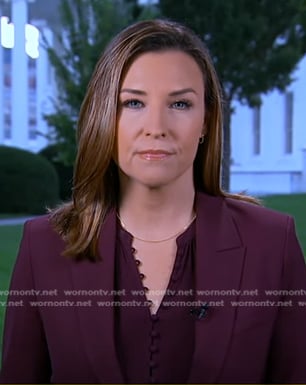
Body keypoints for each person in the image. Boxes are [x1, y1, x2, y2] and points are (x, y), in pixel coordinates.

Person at [0, 18, 306, 384]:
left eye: (179, 103)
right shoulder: (44, 245)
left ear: (206, 120)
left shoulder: (271, 243)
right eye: (133, 103)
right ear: (105, 117)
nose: (156, 126)